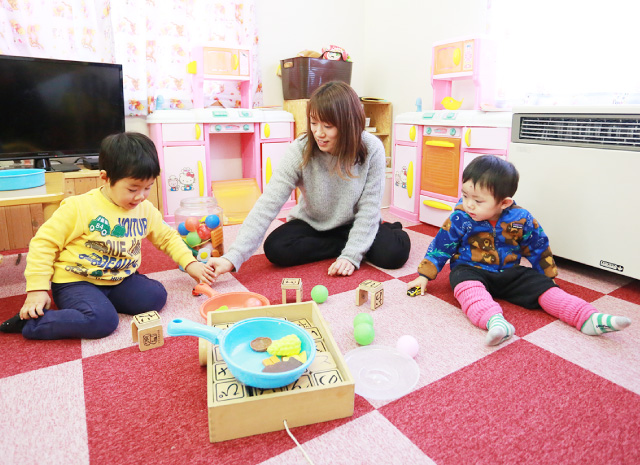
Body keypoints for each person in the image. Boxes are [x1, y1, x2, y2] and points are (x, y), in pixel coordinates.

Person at [0, 132, 214, 339]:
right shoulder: (79, 207)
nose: (141, 196)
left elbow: (167, 238)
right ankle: (32, 323)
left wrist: (190, 263)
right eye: (133, 189)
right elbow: (43, 244)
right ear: (105, 177)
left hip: (119, 278)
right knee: (102, 321)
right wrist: (37, 289)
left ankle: (100, 302)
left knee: (155, 297)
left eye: (148, 187)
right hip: (76, 281)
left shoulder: (145, 209)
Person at [407, 155, 631, 346]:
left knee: (543, 287)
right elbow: (441, 245)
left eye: (478, 200)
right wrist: (424, 275)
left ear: (504, 203)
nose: (469, 204)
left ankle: (588, 318)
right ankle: (495, 322)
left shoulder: (521, 219)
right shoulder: (460, 218)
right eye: (465, 196)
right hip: (470, 269)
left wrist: (547, 277)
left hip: (510, 273)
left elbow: (538, 246)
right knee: (462, 282)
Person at [207, 81, 410, 278]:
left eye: (328, 126)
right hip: (314, 224)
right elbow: (267, 204)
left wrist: (351, 256)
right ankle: (350, 243)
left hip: (354, 221)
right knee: (276, 248)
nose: (318, 133)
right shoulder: (300, 149)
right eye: (313, 123)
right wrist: (232, 257)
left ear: (349, 125)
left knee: (394, 253)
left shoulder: (372, 148)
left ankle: (377, 233)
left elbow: (369, 207)